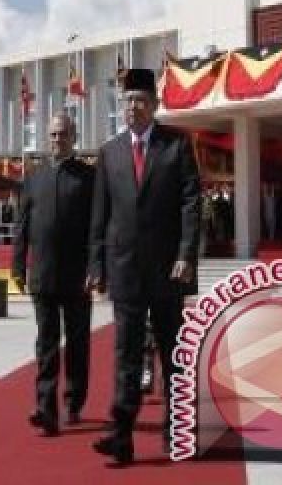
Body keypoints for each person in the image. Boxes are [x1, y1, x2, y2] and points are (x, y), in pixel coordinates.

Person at [87, 68, 201, 465]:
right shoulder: (110, 152)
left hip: (169, 271)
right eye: (127, 100)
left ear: (155, 105)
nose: (133, 107)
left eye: (140, 100)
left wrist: (186, 254)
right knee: (126, 354)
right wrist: (96, 264)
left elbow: (191, 202)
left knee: (173, 352)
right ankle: (121, 435)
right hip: (126, 271)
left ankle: (178, 432)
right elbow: (100, 215)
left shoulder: (176, 146)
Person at [11, 113, 95, 436]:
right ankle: (46, 409)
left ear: (73, 137)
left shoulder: (89, 178)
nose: (56, 139)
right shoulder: (34, 178)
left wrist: (96, 268)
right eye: (52, 134)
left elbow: (96, 227)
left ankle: (74, 401)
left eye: (62, 134)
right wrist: (18, 265)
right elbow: (21, 227)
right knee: (46, 343)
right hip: (43, 275)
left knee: (77, 343)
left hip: (78, 277)